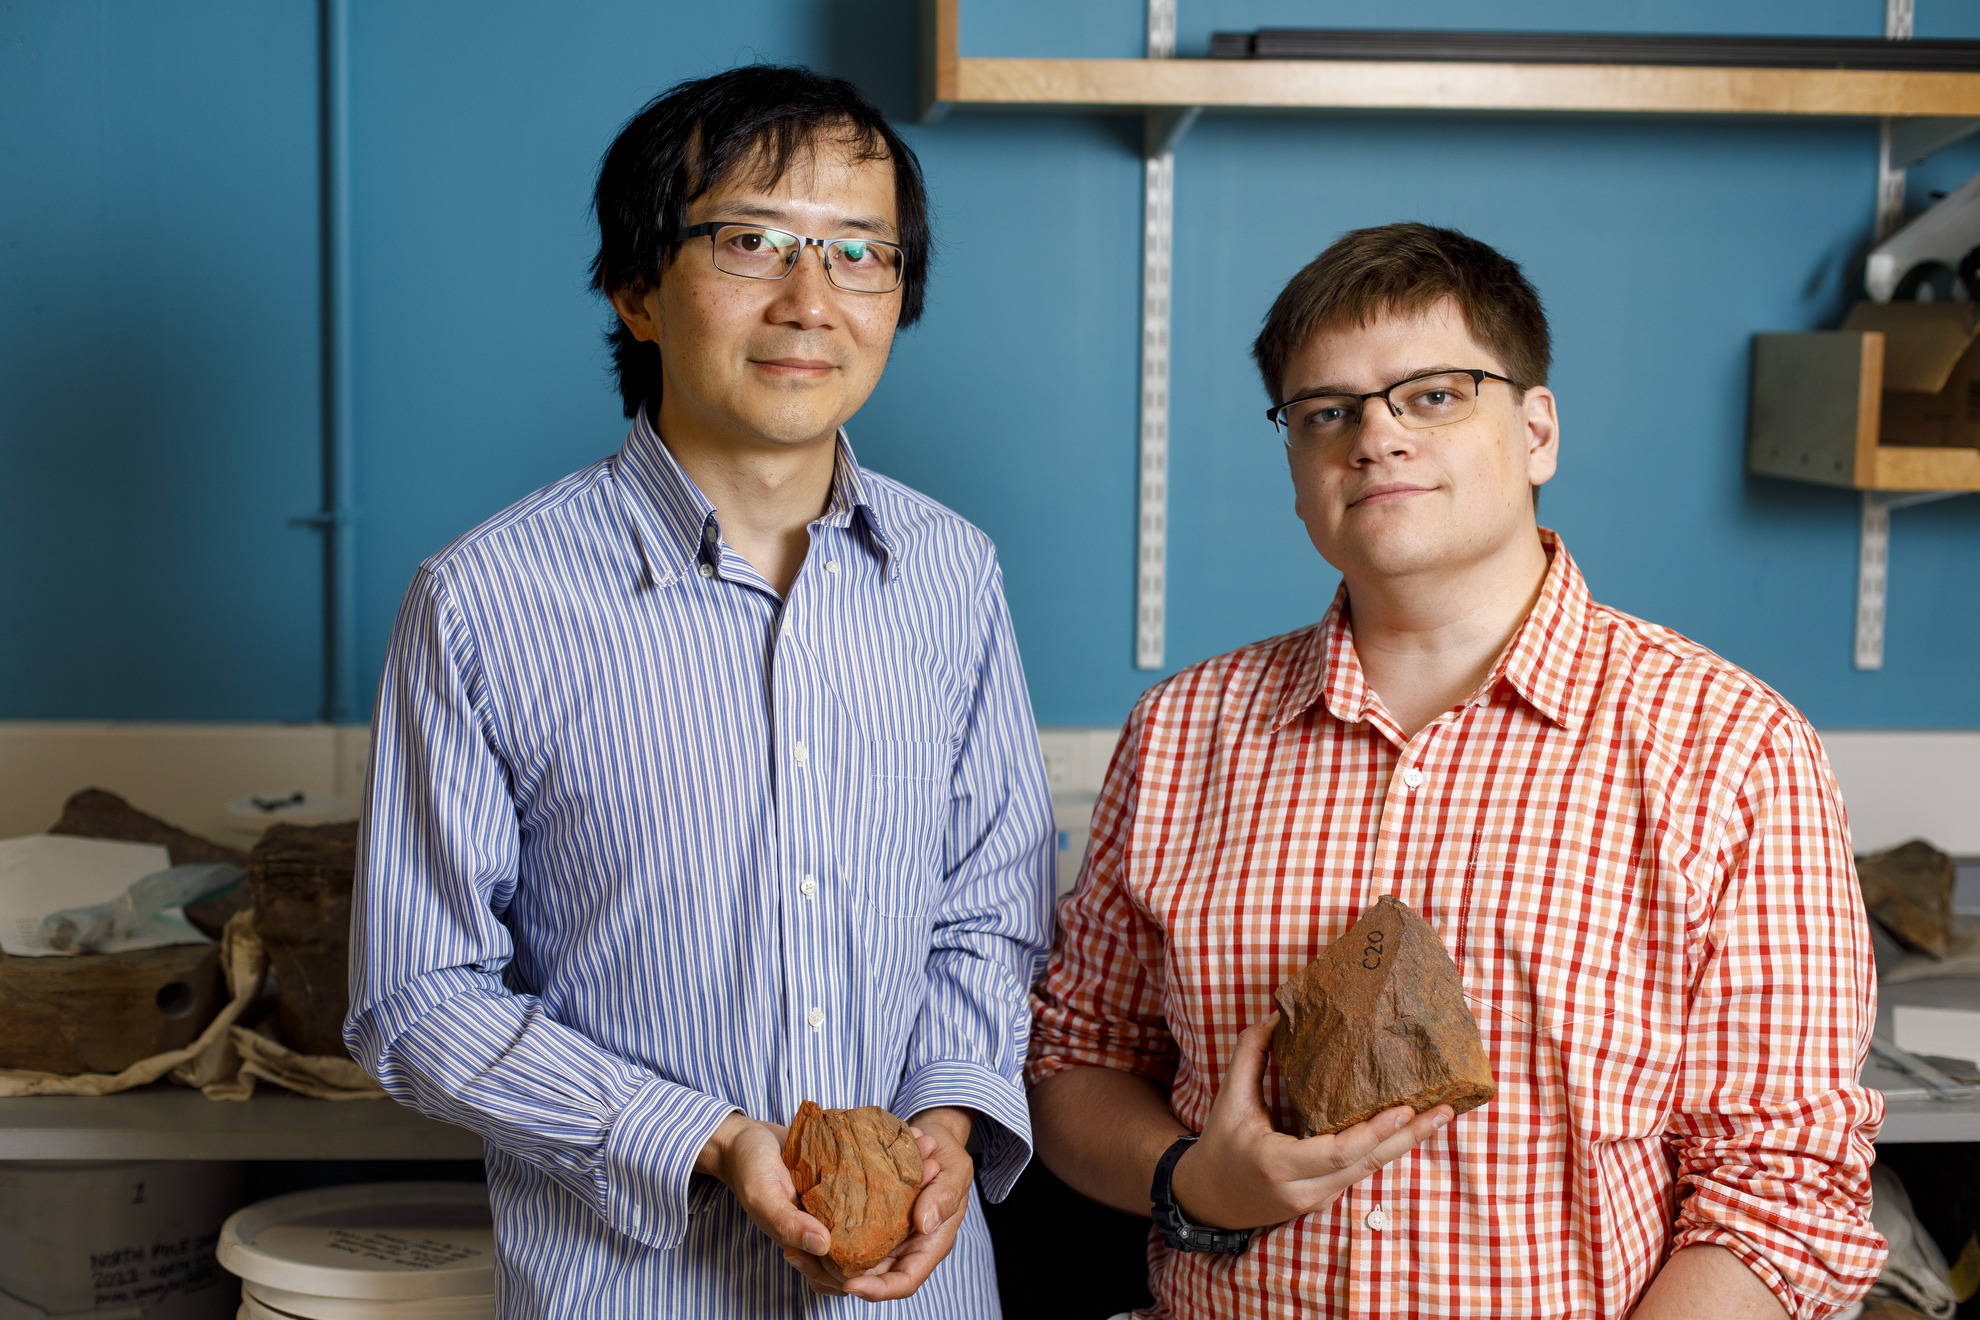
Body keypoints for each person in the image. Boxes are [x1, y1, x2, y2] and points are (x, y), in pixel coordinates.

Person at [1028, 222, 1886, 1319]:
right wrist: (1193, 1181)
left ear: (1536, 431)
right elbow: (1075, 1062)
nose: (1375, 438)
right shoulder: (1184, 733)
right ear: (1295, 466)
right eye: (1326, 411)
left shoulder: (1732, 746)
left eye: (1433, 394)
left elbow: (1782, 1189)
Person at [346, 65, 1054, 1318]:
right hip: (627, 1288)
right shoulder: (483, 599)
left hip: (922, 1295)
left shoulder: (954, 576)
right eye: (750, 242)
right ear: (636, 290)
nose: (809, 300)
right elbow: (416, 997)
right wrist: (705, 1138)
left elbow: (986, 919)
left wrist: (943, 1125)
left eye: (859, 254)